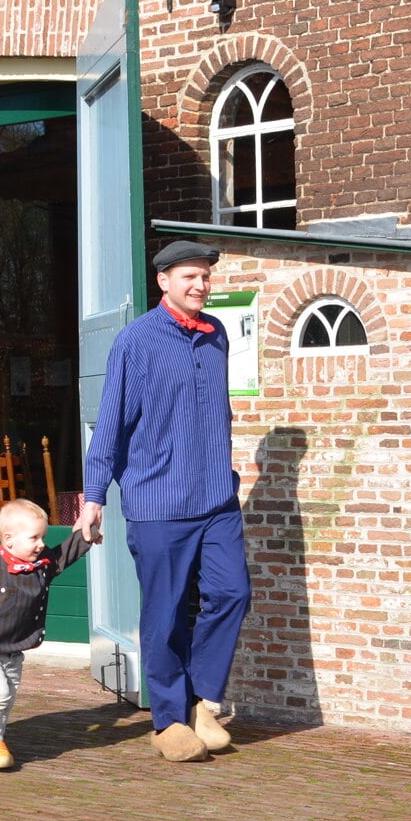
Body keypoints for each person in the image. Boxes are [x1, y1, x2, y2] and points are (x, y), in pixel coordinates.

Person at [76, 239, 249, 763]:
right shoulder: (136, 342)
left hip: (217, 498)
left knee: (233, 594)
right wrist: (93, 496)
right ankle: (170, 720)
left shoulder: (216, 335)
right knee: (165, 614)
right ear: (164, 281)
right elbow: (110, 425)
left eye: (205, 277)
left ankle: (199, 699)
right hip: (159, 502)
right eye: (190, 277)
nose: (200, 286)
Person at [0, 499, 92, 770]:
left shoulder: (42, 567)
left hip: (16, 651)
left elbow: (64, 554)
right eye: (35, 537)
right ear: (9, 540)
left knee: (9, 696)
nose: (41, 543)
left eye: (43, 537)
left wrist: (87, 535)